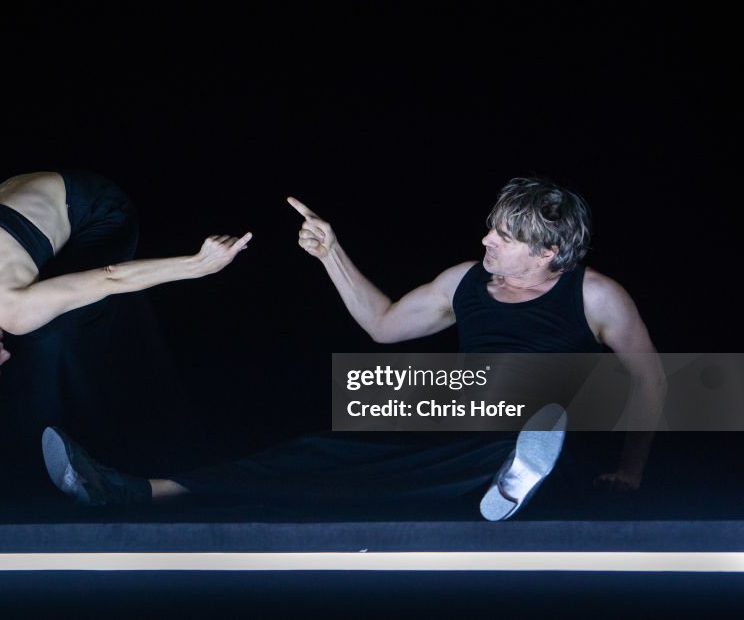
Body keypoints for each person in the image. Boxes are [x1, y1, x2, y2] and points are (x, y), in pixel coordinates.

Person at [40, 176, 666, 520]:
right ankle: (139, 490)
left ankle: (522, 475)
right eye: (491, 228)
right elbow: (385, 326)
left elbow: (651, 381)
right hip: (467, 422)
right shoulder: (463, 281)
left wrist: (632, 469)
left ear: (547, 252)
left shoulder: (597, 296)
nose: (487, 240)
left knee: (541, 428)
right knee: (318, 453)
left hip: (548, 427)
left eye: (503, 236)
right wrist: (331, 252)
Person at [0, 170, 251, 442]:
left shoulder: (9, 308)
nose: (3, 356)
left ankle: (61, 454)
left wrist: (197, 265)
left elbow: (110, 277)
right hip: (21, 188)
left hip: (99, 210)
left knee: (50, 342)